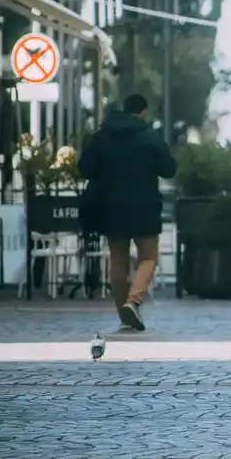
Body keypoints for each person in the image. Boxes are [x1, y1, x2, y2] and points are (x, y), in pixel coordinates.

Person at [78, 93, 178, 332]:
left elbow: (85, 169)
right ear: (143, 112)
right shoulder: (149, 137)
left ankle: (123, 312)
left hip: (110, 207)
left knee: (118, 260)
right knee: (149, 258)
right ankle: (133, 301)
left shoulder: (101, 137)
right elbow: (169, 169)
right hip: (145, 207)